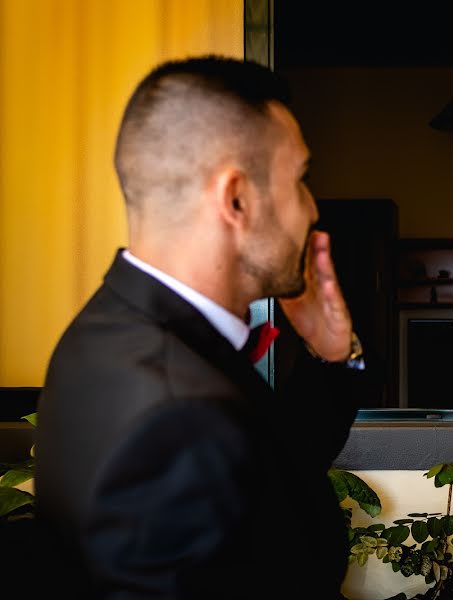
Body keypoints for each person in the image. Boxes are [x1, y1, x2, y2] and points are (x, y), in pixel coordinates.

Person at [35, 56, 364, 598]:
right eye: (301, 180)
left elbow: (261, 477)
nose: (311, 208)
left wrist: (334, 358)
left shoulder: (106, 329)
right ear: (236, 199)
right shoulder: (176, 417)